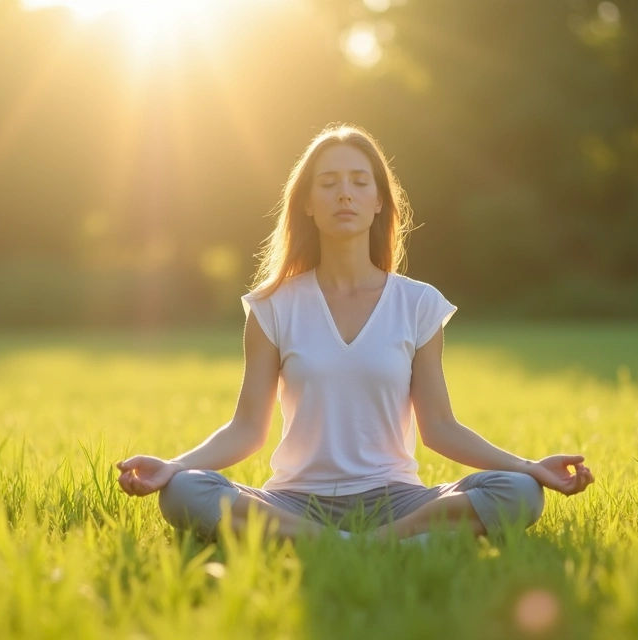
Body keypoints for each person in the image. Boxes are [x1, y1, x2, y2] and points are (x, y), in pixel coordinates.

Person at [116, 124, 594, 542]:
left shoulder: (418, 303)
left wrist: (531, 467)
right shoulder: (271, 306)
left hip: (397, 499)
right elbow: (247, 429)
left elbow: (440, 429)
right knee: (185, 493)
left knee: (519, 493)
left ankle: (351, 541)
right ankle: (369, 544)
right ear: (306, 203)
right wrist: (174, 466)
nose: (344, 193)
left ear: (378, 200)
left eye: (359, 182)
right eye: (328, 183)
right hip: (295, 501)